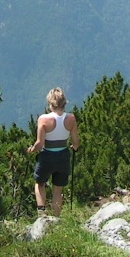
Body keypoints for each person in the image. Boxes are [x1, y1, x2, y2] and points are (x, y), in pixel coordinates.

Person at [26, 87, 80, 217]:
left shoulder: (43, 119)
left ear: (50, 103)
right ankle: (56, 218)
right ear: (64, 102)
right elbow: (76, 142)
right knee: (57, 190)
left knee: (40, 184)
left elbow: (39, 144)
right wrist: (74, 147)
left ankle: (42, 213)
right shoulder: (71, 118)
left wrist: (31, 150)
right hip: (63, 156)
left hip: (47, 156)